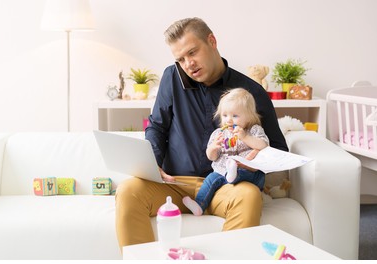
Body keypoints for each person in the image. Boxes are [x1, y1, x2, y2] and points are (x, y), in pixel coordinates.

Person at [115, 17, 288, 249]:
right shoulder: (172, 77)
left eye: (192, 53)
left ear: (212, 41)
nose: (188, 64)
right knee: (128, 190)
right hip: (174, 182)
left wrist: (256, 160)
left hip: (228, 185)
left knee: (249, 196)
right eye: (181, 59)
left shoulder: (251, 92)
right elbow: (157, 126)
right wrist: (152, 164)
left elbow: (278, 149)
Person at [182, 88, 269, 216]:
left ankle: (234, 173)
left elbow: (263, 145)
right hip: (223, 171)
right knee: (210, 179)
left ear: (249, 116)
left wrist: (245, 137)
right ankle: (199, 205)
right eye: (225, 115)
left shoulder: (254, 130)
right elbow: (211, 157)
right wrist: (213, 148)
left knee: (253, 174)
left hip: (249, 172)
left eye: (235, 116)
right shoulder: (219, 133)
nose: (229, 120)